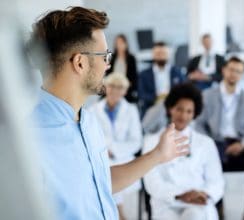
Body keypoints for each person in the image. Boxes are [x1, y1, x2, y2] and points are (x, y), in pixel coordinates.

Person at [29, 7, 189, 220]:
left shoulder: (88, 122)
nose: (108, 64)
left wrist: (157, 155)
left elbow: (99, 182)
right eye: (104, 55)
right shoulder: (28, 141)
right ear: (80, 63)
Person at [143, 83, 224, 220]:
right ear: (170, 109)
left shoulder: (206, 143)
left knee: (195, 216)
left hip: (198, 203)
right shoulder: (152, 141)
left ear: (195, 113)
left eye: (189, 111)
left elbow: (216, 181)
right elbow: (152, 182)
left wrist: (203, 194)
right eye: (179, 109)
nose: (183, 115)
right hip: (166, 203)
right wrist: (180, 194)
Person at [195, 57, 244, 220]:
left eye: (238, 71)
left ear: (242, 75)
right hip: (215, 141)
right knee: (207, 161)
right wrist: (209, 143)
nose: (234, 74)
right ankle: (217, 207)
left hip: (239, 142)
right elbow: (199, 124)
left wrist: (243, 143)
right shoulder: (208, 95)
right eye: (231, 69)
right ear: (224, 70)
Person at [90, 73, 142, 220]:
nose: (115, 90)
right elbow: (93, 138)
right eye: (112, 86)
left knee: (126, 208)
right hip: (103, 161)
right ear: (106, 87)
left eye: (120, 87)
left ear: (125, 91)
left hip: (126, 162)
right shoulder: (94, 110)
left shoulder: (131, 110)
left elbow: (136, 141)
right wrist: (106, 151)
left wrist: (114, 150)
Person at [138, 41, 185, 117]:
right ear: (153, 55)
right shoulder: (144, 74)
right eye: (158, 54)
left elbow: (184, 90)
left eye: (163, 53)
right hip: (151, 108)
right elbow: (141, 94)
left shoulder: (177, 72)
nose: (160, 56)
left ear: (168, 55)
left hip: (174, 108)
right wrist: (156, 98)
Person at [106, 34, 138, 103]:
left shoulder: (131, 58)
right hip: (112, 87)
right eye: (117, 43)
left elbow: (134, 77)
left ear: (126, 44)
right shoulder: (112, 58)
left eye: (121, 43)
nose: (119, 45)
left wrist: (125, 87)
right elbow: (107, 74)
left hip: (126, 88)